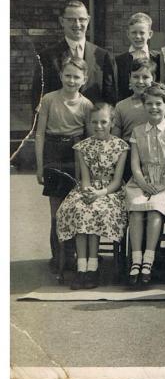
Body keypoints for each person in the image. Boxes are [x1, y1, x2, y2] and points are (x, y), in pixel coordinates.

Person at [55, 103, 129, 289]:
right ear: (89, 123)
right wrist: (88, 192)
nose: (99, 126)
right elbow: (85, 178)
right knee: (80, 208)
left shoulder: (120, 146)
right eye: (94, 122)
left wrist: (100, 193)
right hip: (88, 189)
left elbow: (117, 181)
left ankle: (93, 268)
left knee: (95, 209)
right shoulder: (83, 147)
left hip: (111, 191)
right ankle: (82, 268)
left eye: (103, 122)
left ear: (112, 122)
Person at [35, 55, 93, 272]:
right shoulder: (49, 99)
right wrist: (40, 166)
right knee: (56, 209)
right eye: (67, 75)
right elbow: (39, 134)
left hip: (75, 153)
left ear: (84, 79)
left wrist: (87, 171)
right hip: (53, 151)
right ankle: (58, 256)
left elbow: (89, 139)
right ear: (60, 76)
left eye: (76, 77)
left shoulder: (87, 105)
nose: (71, 80)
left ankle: (73, 254)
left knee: (75, 205)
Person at [125, 85, 165, 284]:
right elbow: (134, 163)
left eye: (158, 104)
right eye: (149, 104)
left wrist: (162, 184)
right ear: (144, 106)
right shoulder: (137, 131)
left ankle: (148, 260)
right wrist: (142, 183)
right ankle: (136, 258)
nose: (154, 108)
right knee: (135, 208)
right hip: (141, 180)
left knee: (155, 208)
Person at [31, 0, 116, 110]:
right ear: (62, 21)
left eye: (82, 19)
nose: (77, 24)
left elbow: (110, 99)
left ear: (88, 20)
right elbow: (38, 97)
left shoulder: (103, 56)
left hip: (93, 124)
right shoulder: (47, 57)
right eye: (71, 20)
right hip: (59, 123)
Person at [115, 12, 160, 101]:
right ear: (128, 34)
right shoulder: (119, 61)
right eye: (134, 33)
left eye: (142, 33)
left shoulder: (158, 58)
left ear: (150, 34)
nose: (138, 36)